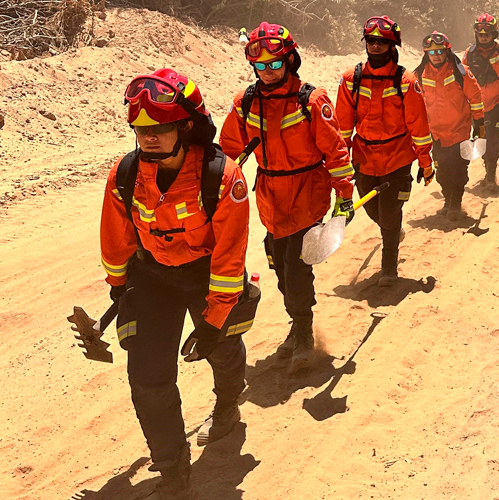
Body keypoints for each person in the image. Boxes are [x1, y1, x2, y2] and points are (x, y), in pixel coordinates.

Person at [102, 69, 251, 499]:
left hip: (205, 274)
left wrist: (213, 320)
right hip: (152, 277)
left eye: (161, 128)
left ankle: (227, 403)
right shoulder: (126, 173)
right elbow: (116, 237)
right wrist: (119, 286)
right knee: (147, 377)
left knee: (221, 349)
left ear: (187, 126)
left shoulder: (223, 178)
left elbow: (229, 256)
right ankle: (173, 469)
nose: (149, 137)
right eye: (142, 129)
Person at [220, 22, 354, 371]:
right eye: (260, 66)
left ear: (290, 60)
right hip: (270, 197)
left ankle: (305, 334)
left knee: (296, 267)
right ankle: (298, 325)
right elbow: (226, 154)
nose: (267, 72)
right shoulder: (245, 103)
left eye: (274, 64)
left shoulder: (311, 99)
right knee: (279, 266)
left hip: (307, 193)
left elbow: (335, 151)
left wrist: (344, 195)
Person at [336, 15, 434, 286]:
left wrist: (426, 163)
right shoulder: (350, 80)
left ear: (393, 45)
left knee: (390, 213)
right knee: (373, 211)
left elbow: (419, 127)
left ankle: (389, 266)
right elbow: (342, 129)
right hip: (364, 159)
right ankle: (392, 232)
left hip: (398, 159)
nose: (375, 46)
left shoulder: (406, 81)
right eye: (371, 41)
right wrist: (339, 165)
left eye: (381, 42)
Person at [415, 31, 485, 221]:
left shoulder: (460, 72)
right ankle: (448, 199)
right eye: (431, 53)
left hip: (459, 131)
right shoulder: (419, 74)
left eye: (439, 52)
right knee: (442, 171)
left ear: (447, 51)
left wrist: (479, 124)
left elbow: (475, 98)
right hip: (436, 134)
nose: (436, 56)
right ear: (425, 54)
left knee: (458, 169)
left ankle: (456, 202)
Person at [462, 13, 499, 186]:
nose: (483, 37)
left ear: (494, 34)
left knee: (493, 137)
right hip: (477, 106)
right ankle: (486, 164)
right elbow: (461, 79)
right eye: (480, 34)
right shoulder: (469, 54)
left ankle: (491, 174)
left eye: (487, 33)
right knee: (481, 138)